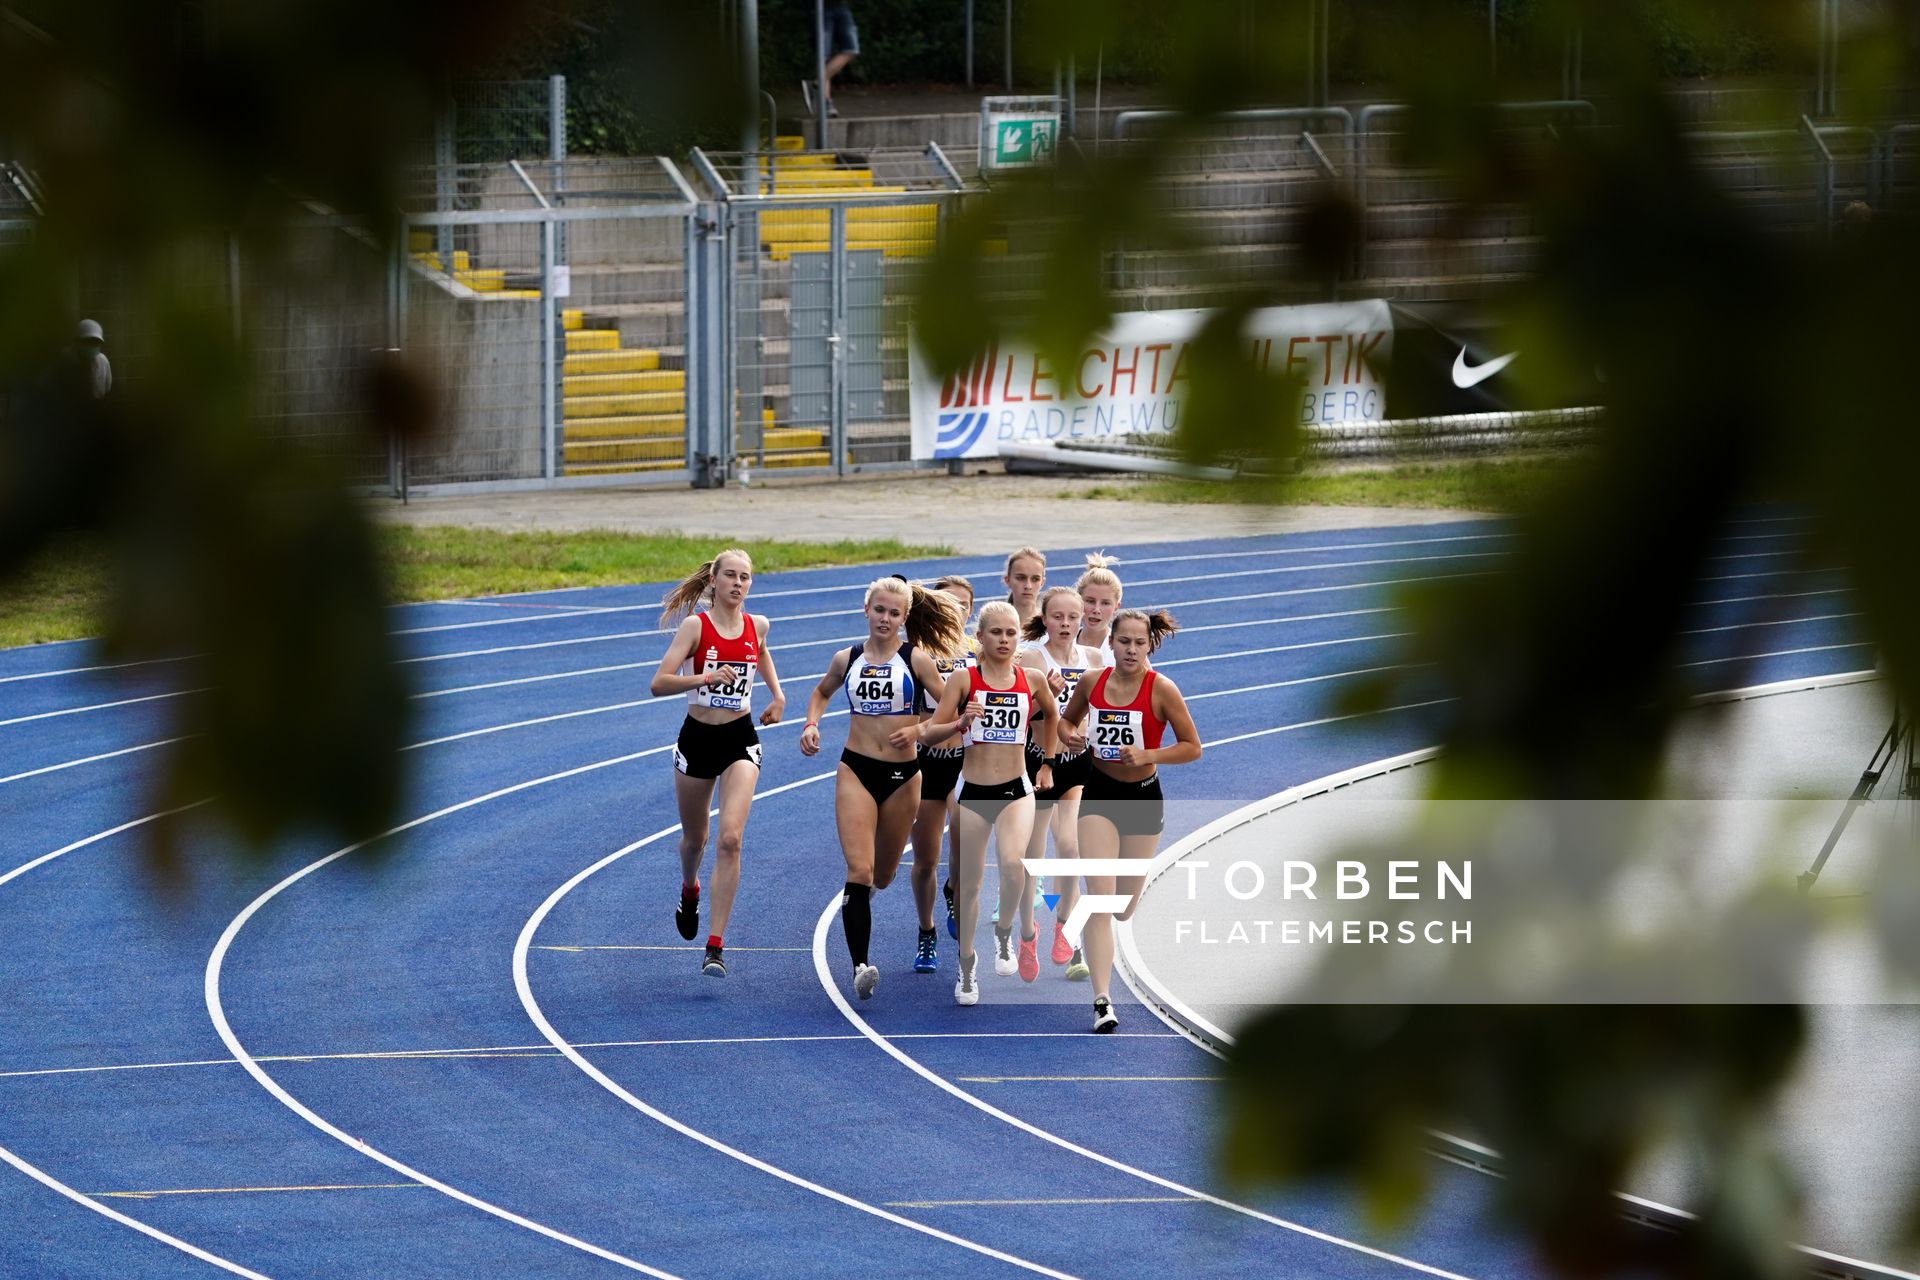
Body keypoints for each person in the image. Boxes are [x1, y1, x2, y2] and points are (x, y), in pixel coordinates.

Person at [800, 576, 965, 1000]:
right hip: (855, 768)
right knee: (859, 871)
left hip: (904, 777)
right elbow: (821, 693)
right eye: (879, 610)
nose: (885, 618)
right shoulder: (847, 658)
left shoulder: (918, 661)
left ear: (904, 618)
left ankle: (866, 899)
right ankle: (860, 965)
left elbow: (951, 712)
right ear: (866, 611)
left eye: (894, 613)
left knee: (886, 875)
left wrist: (919, 728)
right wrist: (812, 723)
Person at [1058, 608, 1201, 1033]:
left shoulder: (1162, 690)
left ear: (1148, 646)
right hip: (1098, 793)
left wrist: (1150, 755)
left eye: (1140, 643)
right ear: (1111, 643)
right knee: (1100, 900)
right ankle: (1102, 1000)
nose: (1132, 650)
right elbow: (1067, 720)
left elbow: (1193, 747)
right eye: (1124, 642)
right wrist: (1070, 733)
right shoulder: (1091, 681)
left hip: (1142, 799)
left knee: (1123, 908)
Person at [649, 550, 786, 978]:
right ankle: (689, 888)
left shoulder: (757, 624)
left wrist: (777, 695)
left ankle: (715, 945)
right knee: (696, 840)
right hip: (698, 739)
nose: (738, 583)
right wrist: (704, 678)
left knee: (730, 840)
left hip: (739, 739)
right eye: (730, 575)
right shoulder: (696, 627)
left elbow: (759, 652)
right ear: (714, 579)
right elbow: (659, 683)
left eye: (745, 577)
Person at [919, 600, 1060, 1006]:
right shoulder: (965, 680)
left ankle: (1003, 935)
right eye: (995, 632)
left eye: (1011, 633)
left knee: (1015, 864)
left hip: (1016, 787)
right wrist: (961, 723)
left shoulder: (1030, 678)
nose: (1003, 639)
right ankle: (966, 966)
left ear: (1019, 638)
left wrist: (1047, 763)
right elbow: (929, 734)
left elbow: (1051, 715)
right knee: (970, 883)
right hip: (972, 792)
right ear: (979, 637)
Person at [1015, 586, 1104, 982]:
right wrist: (1045, 698)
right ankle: (1028, 935)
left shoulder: (1096, 658)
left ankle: (1064, 925)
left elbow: (1101, 709)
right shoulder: (1033, 657)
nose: (1066, 624)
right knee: (1033, 855)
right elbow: (1020, 713)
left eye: (1072, 616)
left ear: (1082, 618)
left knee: (1071, 847)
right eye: (1058, 617)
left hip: (1079, 764)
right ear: (1045, 618)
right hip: (1039, 763)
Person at [911, 575, 976, 974]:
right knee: (923, 861)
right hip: (924, 761)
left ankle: (954, 888)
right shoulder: (916, 652)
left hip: (965, 760)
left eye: (963, 605)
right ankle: (926, 931)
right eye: (947, 603)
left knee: (963, 836)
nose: (956, 610)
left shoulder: (979, 650)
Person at [800, 0, 859, 119]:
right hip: (819, 9)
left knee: (851, 50)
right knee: (823, 57)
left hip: (841, 7)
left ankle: (817, 83)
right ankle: (825, 103)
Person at [1075, 553, 1123, 668]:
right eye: (1090, 601)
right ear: (1078, 600)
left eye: (1105, 603)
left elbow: (1151, 684)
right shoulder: (1061, 641)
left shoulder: (1124, 649)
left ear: (1116, 607)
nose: (1096, 610)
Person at [1003, 545, 1047, 629]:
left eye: (1035, 579)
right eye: (1021, 578)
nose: (1028, 586)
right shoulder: (993, 624)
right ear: (1007, 580)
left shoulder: (1050, 626)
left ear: (1042, 582)